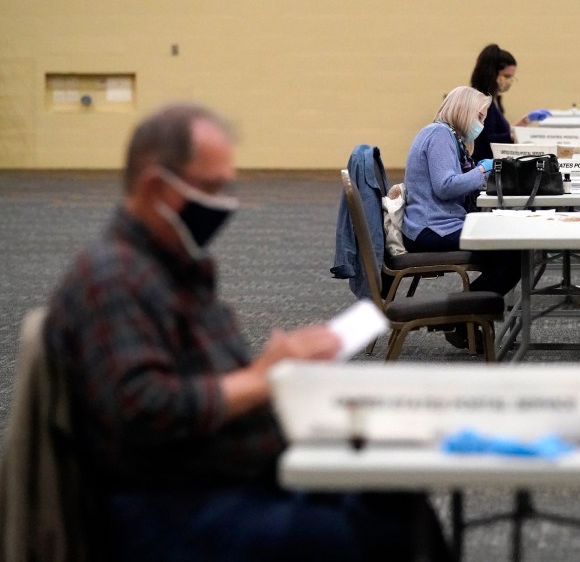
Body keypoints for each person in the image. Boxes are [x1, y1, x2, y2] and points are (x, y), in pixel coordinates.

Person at [42, 102, 448, 561]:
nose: (224, 204)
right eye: (211, 189)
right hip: (172, 504)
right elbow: (145, 409)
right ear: (156, 187)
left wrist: (276, 367)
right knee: (353, 533)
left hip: (227, 477)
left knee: (399, 499)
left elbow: (207, 383)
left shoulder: (172, 266)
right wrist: (264, 376)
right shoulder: (113, 277)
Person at [402, 86, 521, 350]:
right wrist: (482, 171)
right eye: (479, 117)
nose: (481, 124)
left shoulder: (448, 136)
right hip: (432, 228)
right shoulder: (439, 135)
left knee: (509, 250)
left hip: (440, 223)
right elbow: (445, 186)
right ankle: (459, 317)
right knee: (512, 255)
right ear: (464, 111)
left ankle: (465, 322)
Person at [469, 43, 550, 161]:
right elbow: (488, 139)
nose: (510, 81)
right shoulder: (482, 100)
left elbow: (503, 132)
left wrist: (526, 120)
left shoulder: (494, 99)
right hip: (484, 164)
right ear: (492, 73)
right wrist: (516, 136)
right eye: (506, 76)